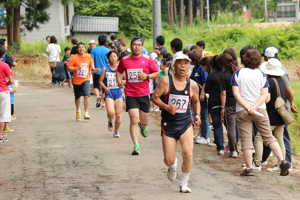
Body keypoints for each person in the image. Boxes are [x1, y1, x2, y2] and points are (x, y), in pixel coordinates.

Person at [231, 49, 290, 176]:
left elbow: (236, 94)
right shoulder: (262, 75)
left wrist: (248, 107)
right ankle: (282, 161)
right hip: (261, 110)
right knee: (268, 136)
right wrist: (255, 106)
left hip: (243, 110)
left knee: (247, 140)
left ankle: (249, 168)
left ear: (244, 59)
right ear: (259, 61)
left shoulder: (237, 74)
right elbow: (264, 95)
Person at [151, 53, 201, 193]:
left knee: (188, 153)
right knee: (168, 159)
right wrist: (166, 107)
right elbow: (154, 97)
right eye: (180, 62)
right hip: (169, 124)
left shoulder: (193, 85)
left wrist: (197, 115)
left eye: (186, 63)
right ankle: (172, 165)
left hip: (185, 123)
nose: (183, 66)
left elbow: (196, 102)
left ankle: (184, 183)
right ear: (174, 65)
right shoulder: (166, 82)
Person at [116, 37, 159, 155]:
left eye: (139, 45)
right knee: (134, 119)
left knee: (144, 121)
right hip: (130, 94)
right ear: (131, 46)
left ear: (142, 46)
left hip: (144, 94)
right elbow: (119, 71)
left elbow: (157, 73)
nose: (137, 47)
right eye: (134, 44)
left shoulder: (148, 59)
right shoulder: (125, 60)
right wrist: (119, 81)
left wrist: (147, 76)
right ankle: (136, 145)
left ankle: (143, 126)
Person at [254, 58, 288, 172]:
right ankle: (281, 164)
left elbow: (267, 99)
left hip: (271, 115)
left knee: (259, 137)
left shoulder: (269, 81)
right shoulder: (282, 80)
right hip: (281, 116)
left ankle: (257, 163)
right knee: (279, 139)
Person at [67, 42, 100, 121]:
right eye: (80, 47)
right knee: (77, 97)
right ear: (77, 49)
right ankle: (78, 110)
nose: (81, 48)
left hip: (86, 79)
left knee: (86, 95)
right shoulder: (74, 57)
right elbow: (68, 68)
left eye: (83, 47)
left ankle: (86, 112)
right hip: (76, 81)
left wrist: (94, 69)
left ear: (85, 48)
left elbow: (91, 66)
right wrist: (76, 68)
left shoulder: (88, 56)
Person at [188, 50, 211, 145]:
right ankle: (201, 134)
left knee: (204, 114)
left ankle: (206, 136)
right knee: (200, 114)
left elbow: (205, 81)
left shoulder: (201, 68)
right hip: (196, 95)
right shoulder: (195, 68)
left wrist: (202, 93)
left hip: (201, 95)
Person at [219, 52, 239, 158]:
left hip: (229, 104)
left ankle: (233, 150)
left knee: (231, 128)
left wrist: (223, 107)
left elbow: (223, 93)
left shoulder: (224, 76)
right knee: (240, 127)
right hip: (240, 103)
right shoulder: (237, 72)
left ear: (221, 65)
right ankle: (242, 148)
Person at [99, 50, 123, 138]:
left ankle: (116, 131)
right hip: (109, 92)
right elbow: (100, 81)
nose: (113, 58)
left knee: (118, 114)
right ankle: (110, 121)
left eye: (114, 56)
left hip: (118, 92)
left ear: (117, 58)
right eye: (111, 56)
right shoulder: (105, 68)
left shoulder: (121, 69)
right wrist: (105, 88)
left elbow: (126, 79)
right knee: (111, 112)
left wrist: (122, 82)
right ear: (108, 58)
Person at [204, 54, 225, 155]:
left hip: (214, 103)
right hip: (225, 104)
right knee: (229, 126)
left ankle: (220, 147)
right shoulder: (226, 75)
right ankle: (233, 147)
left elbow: (207, 89)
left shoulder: (211, 76)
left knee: (217, 125)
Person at [91, 35, 111, 109]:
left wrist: (93, 68)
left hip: (96, 71)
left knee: (96, 86)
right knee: (104, 88)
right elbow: (109, 61)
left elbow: (92, 60)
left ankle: (97, 96)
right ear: (105, 42)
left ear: (98, 41)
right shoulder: (108, 50)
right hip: (105, 71)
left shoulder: (93, 49)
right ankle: (103, 104)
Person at [0, 46, 13, 142]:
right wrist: (7, 82)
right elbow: (11, 80)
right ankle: (0, 136)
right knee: (3, 115)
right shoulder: (5, 65)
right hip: (3, 91)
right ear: (3, 55)